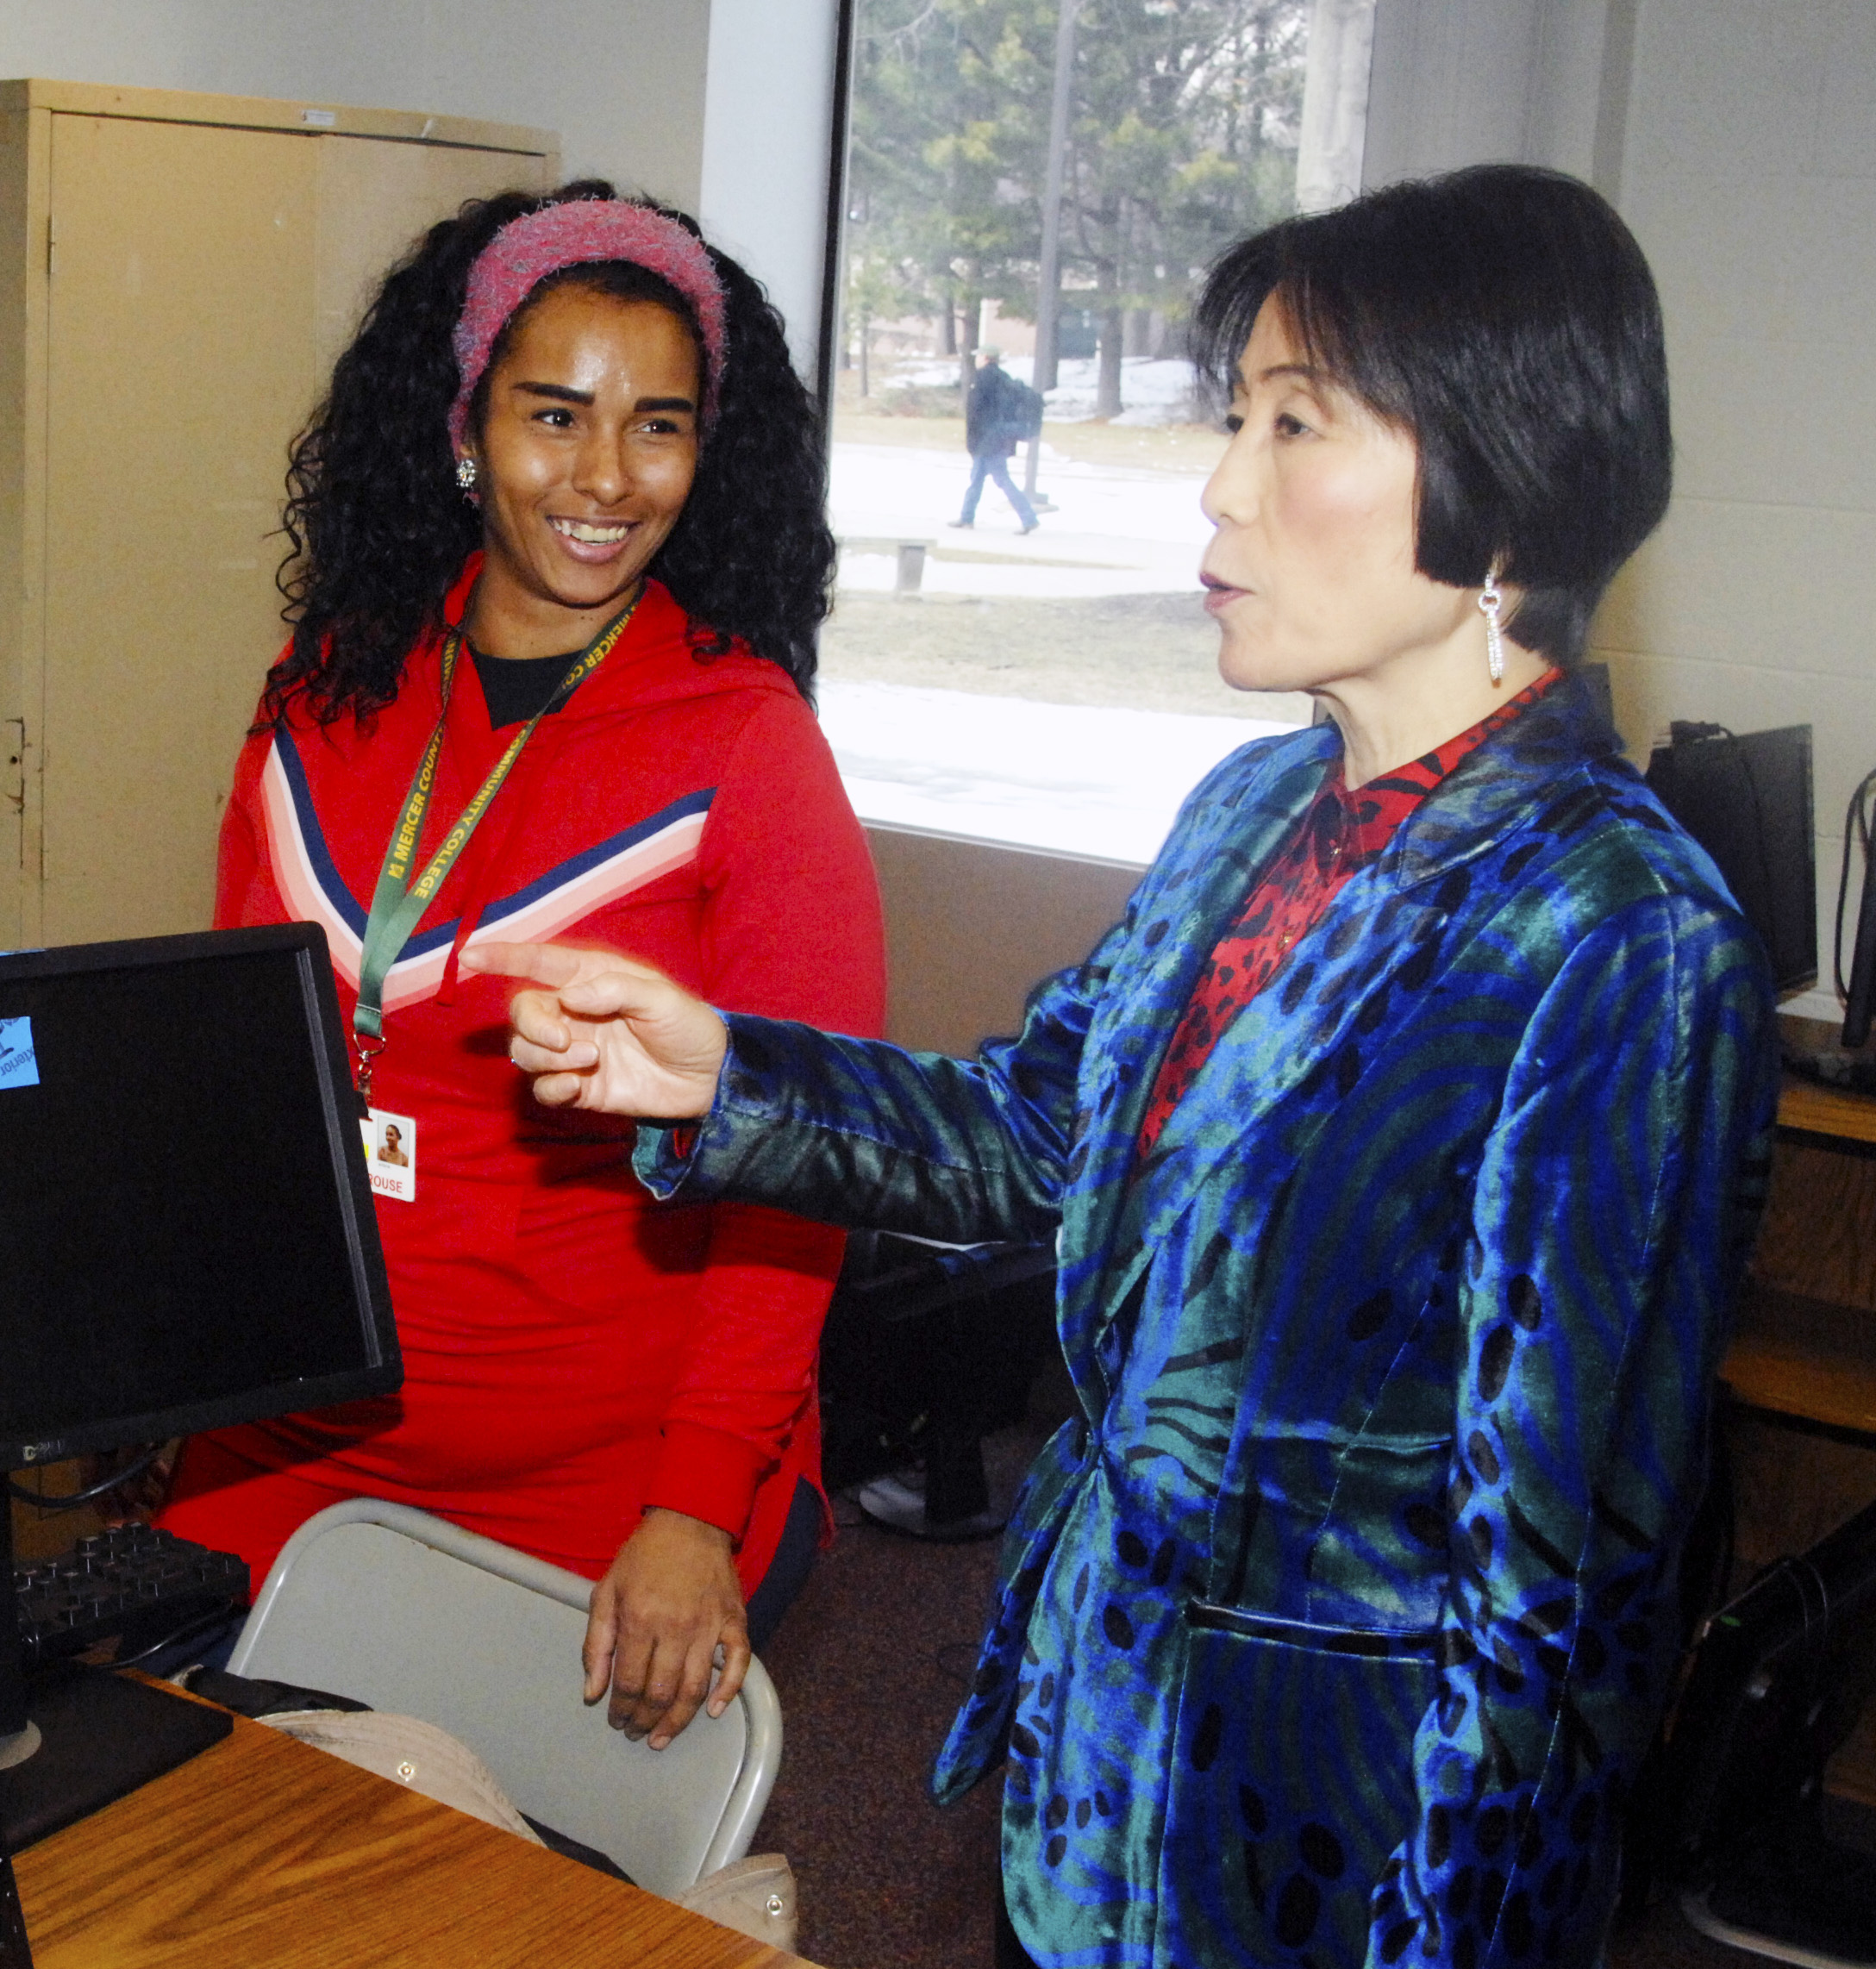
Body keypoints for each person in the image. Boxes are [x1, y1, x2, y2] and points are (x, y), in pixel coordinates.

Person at [470, 165, 1777, 1966]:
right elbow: (1038, 1133)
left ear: (1506, 476)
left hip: (1336, 1853)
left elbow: (1556, 1606)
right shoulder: (1253, 808)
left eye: (1291, 424)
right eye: (1231, 420)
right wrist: (726, 1078)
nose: (1220, 487)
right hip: (1094, 1773)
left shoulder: (1619, 932)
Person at [159, 183, 885, 1750]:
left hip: (609, 1472)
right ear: (465, 429)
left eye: (659, 427)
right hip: (296, 1433)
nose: (606, 476)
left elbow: (803, 1172)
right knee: (153, 1795)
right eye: (555, 414)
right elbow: (240, 1067)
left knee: (482, 1857)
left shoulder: (748, 746)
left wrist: (696, 1504)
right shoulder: (323, 691)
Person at [956, 348, 1039, 534]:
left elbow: (975, 413)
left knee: (1000, 479)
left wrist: (973, 441)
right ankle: (966, 517)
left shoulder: (982, 378)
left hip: (986, 440)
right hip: (1001, 437)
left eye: (979, 356)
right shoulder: (1003, 377)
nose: (976, 359)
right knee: (977, 479)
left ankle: (1028, 518)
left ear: (986, 358)